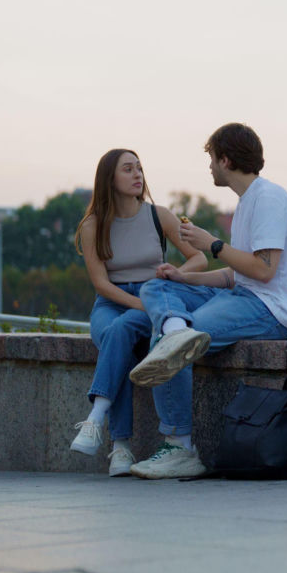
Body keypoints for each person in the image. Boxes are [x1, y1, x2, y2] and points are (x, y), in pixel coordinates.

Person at [127, 122, 287, 479]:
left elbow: (264, 271)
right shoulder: (248, 202)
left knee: (173, 338)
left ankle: (179, 448)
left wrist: (212, 244)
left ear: (225, 160)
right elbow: (236, 274)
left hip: (270, 309)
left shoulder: (269, 198)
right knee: (156, 288)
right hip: (243, 295)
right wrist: (185, 278)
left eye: (212, 158)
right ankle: (177, 330)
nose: (210, 166)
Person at [71, 149, 207, 476]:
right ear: (109, 179)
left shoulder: (159, 216)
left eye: (139, 169)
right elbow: (101, 284)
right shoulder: (92, 225)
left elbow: (200, 259)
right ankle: (119, 445)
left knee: (118, 333)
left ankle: (106, 432)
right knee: (113, 332)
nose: (137, 175)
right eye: (128, 169)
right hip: (112, 301)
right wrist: (139, 306)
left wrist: (174, 275)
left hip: (153, 296)